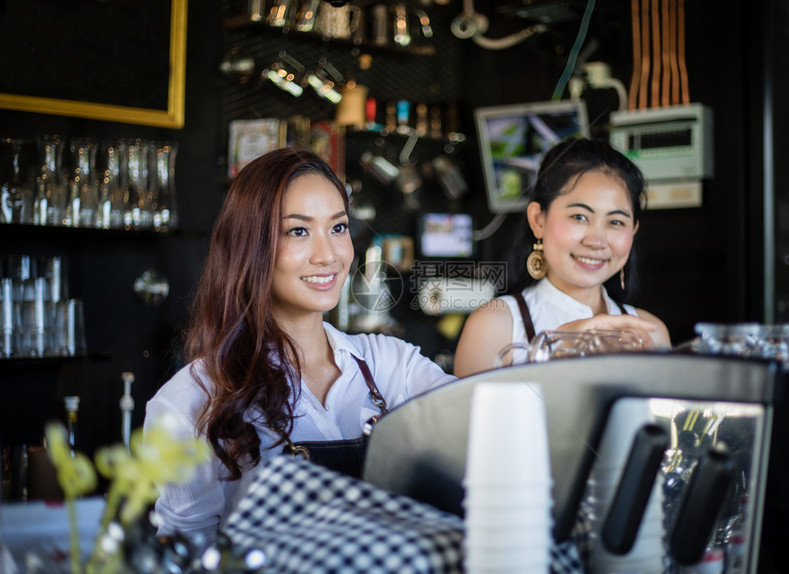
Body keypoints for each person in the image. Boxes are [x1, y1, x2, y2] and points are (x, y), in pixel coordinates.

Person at [144, 148, 456, 542]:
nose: (328, 255)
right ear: (249, 245)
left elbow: (481, 430)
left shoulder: (392, 364)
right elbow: (185, 555)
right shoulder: (191, 400)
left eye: (339, 228)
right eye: (298, 230)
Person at [454, 137, 671, 377]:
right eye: (579, 217)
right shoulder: (494, 325)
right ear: (538, 220)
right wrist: (556, 348)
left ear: (633, 231)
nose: (596, 240)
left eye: (616, 222)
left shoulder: (651, 333)